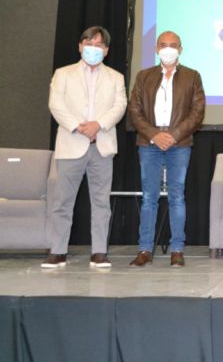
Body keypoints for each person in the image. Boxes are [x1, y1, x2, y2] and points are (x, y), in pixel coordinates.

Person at [43, 26, 127, 268]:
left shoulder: (116, 77)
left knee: (101, 202)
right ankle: (58, 251)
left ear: (106, 50)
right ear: (80, 46)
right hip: (71, 144)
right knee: (62, 201)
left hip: (102, 145)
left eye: (99, 45)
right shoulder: (63, 74)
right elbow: (56, 104)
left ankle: (99, 252)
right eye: (89, 43)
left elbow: (120, 106)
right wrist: (78, 127)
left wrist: (98, 125)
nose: (93, 48)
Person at [127, 31, 205, 268]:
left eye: (173, 45)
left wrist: (173, 135)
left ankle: (177, 250)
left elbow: (197, 112)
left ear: (180, 49)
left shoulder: (192, 76)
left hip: (178, 143)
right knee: (149, 197)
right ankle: (144, 249)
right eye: (163, 45)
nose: (168, 49)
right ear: (155, 49)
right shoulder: (144, 76)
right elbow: (134, 110)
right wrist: (153, 134)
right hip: (149, 143)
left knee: (176, 196)